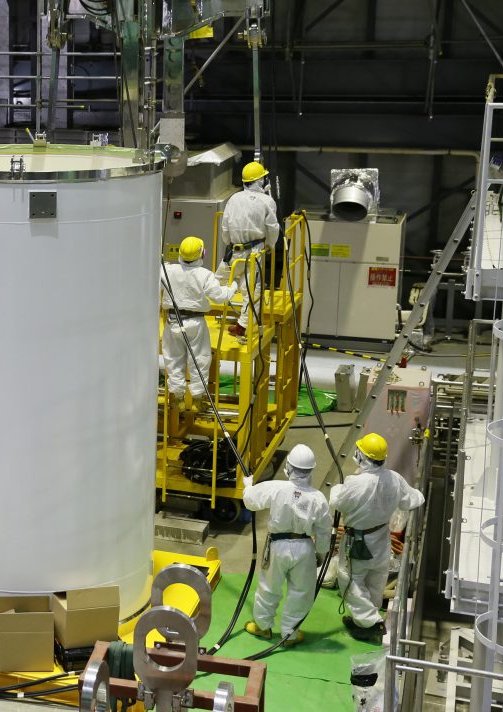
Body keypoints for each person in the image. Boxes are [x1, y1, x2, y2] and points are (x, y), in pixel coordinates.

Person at [330, 432, 425, 641]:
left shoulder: (355, 483)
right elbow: (413, 500)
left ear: (363, 456)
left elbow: (338, 503)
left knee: (349, 580)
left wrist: (338, 488)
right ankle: (363, 622)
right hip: (381, 538)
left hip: (358, 541)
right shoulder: (394, 479)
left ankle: (370, 621)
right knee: (376, 579)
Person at [242, 444, 332, 647]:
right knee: (301, 591)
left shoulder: (276, 488)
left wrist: (248, 485)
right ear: (311, 470)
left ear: (289, 467)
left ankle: (263, 626)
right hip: (305, 547)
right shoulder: (318, 498)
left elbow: (250, 501)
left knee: (269, 586)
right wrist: (321, 553)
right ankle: (289, 635)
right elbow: (324, 530)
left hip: (277, 545)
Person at [161, 235, 236, 413]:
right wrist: (233, 287)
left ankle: (177, 399)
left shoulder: (167, 270)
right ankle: (197, 400)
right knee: (199, 361)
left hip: (172, 321)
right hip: (195, 322)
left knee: (173, 359)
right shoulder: (204, 275)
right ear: (202, 253)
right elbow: (220, 296)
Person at [217, 161, 281, 338]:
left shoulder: (234, 198)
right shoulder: (267, 201)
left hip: (234, 251)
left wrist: (229, 243)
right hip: (255, 252)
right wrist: (270, 245)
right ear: (260, 181)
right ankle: (242, 326)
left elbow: (225, 227)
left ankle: (197, 309)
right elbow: (273, 228)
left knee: (217, 281)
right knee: (252, 290)